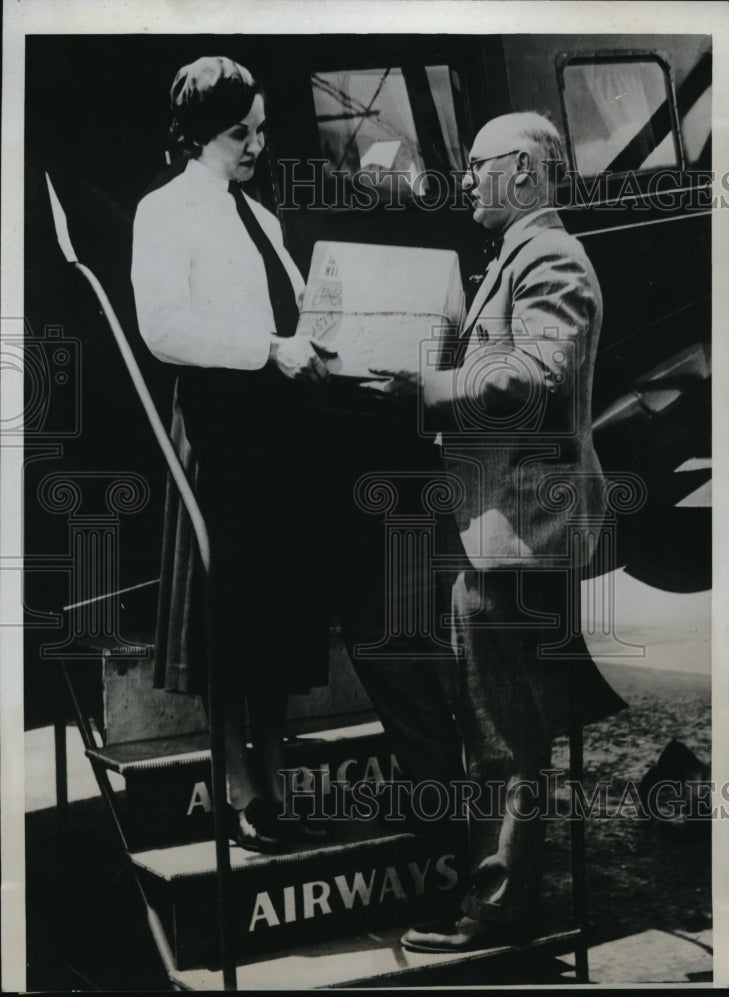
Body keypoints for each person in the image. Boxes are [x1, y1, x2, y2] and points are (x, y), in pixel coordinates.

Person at [361, 111, 627, 950]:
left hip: (521, 530)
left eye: (478, 166)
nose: (466, 179)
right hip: (504, 526)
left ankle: (500, 913)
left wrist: (425, 385)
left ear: (524, 172)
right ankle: (493, 895)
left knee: (507, 734)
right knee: (498, 723)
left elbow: (536, 382)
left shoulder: (549, 257)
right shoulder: (521, 257)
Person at [131, 56, 331, 852]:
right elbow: (162, 329)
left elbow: (293, 313)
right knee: (228, 620)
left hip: (277, 431)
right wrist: (267, 349)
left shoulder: (262, 215)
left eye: (259, 130)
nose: (255, 144)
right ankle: (237, 788)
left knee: (275, 616)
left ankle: (274, 783)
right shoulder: (165, 211)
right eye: (239, 131)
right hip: (219, 430)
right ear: (197, 132)